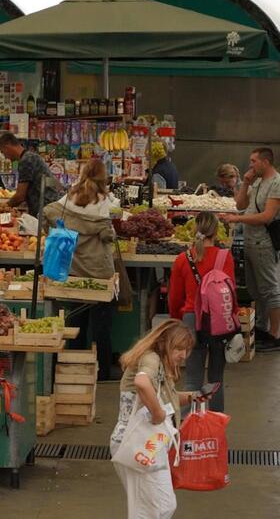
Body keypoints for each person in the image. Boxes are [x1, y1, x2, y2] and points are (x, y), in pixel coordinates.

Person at [110, 320, 200, 519]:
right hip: (136, 444)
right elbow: (142, 383)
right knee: (154, 509)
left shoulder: (157, 362)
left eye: (186, 350)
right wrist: (158, 413)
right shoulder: (151, 358)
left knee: (160, 506)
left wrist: (193, 396)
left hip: (147, 444)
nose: (183, 355)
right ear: (164, 343)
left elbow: (168, 398)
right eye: (178, 348)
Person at [42, 159, 118, 380]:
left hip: (73, 268)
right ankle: (102, 371)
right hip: (98, 271)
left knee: (76, 322)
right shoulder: (103, 200)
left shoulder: (70, 195)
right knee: (102, 325)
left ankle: (72, 367)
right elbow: (106, 234)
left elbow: (50, 212)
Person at [168, 211, 234, 412]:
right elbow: (230, 294)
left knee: (192, 380)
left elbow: (174, 297)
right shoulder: (225, 257)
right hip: (219, 323)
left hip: (191, 321)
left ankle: (189, 431)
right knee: (216, 379)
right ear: (216, 232)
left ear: (195, 229)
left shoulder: (183, 259)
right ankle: (215, 430)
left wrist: (177, 321)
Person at [222, 146, 280, 351]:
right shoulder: (256, 181)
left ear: (265, 162)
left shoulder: (276, 183)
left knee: (270, 290)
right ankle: (262, 328)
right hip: (249, 241)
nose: (250, 165)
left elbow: (267, 216)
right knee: (256, 290)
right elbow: (240, 204)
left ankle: (275, 334)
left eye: (253, 161)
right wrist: (245, 182)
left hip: (263, 243)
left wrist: (237, 219)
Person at [0, 132, 63, 217]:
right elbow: (54, 183)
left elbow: (20, 196)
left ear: (7, 147)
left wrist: (4, 206)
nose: (5, 157)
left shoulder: (26, 160)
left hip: (45, 212)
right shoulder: (32, 156)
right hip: (52, 207)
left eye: (3, 152)